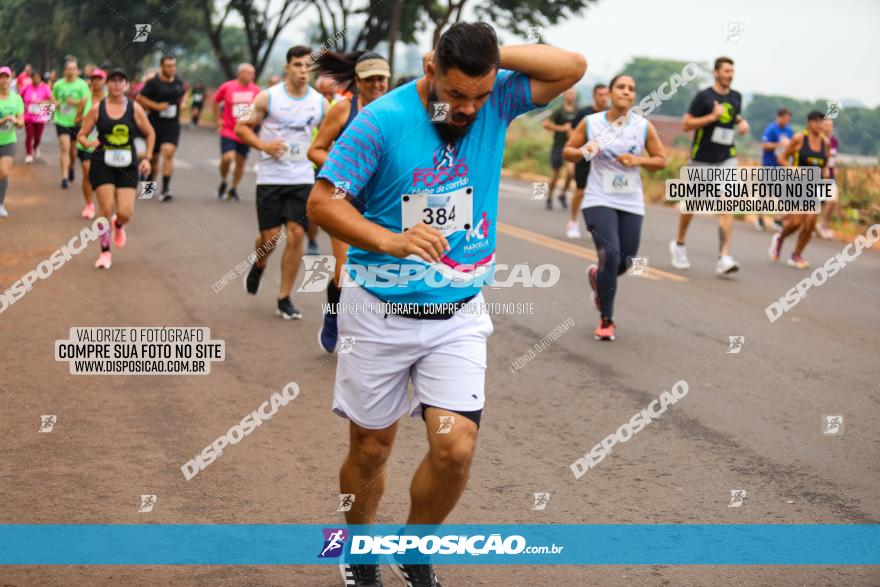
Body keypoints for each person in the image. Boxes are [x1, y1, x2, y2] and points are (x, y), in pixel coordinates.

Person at [307, 22, 585, 586]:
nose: (469, 110)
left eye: (480, 95)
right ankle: (358, 550)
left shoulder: (498, 100)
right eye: (457, 96)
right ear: (430, 69)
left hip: (457, 310)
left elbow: (571, 65)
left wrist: (487, 59)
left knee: (455, 448)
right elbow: (321, 201)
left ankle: (414, 548)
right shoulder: (381, 121)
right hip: (377, 309)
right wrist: (389, 240)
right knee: (371, 450)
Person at [563, 74, 666, 341]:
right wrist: (589, 149)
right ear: (609, 93)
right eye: (621, 87)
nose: (626, 92)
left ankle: (598, 276)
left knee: (625, 262)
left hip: (630, 200)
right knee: (610, 254)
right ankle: (606, 320)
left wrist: (638, 160)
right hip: (599, 198)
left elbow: (661, 160)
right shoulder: (591, 123)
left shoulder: (642, 126)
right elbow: (568, 152)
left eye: (631, 89)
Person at [235, 46, 329, 320]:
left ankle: (284, 297)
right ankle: (259, 264)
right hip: (270, 176)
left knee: (297, 233)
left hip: (301, 176)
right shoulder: (269, 98)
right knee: (270, 238)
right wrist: (264, 145)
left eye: (307, 66)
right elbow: (241, 127)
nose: (303, 71)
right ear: (287, 67)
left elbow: (330, 135)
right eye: (298, 65)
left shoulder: (319, 103)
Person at [308, 51, 391, 353]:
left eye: (382, 78)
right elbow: (314, 150)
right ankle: (332, 318)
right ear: (358, 81)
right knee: (345, 271)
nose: (377, 84)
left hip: (382, 203)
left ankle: (375, 332)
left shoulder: (398, 109)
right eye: (370, 79)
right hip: (345, 200)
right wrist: (343, 171)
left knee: (381, 269)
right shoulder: (344, 109)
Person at [669, 56, 748, 275]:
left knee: (727, 202)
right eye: (725, 71)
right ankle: (680, 244)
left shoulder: (736, 97)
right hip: (701, 157)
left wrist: (741, 123)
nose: (729, 75)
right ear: (716, 73)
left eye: (732, 71)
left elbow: (734, 116)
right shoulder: (704, 96)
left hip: (727, 158)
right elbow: (686, 124)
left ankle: (724, 257)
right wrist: (711, 117)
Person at [77, 68, 155, 269]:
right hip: (102, 162)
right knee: (105, 208)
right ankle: (105, 252)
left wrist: (147, 158)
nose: (117, 84)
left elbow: (150, 133)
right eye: (113, 80)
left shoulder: (134, 108)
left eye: (121, 80)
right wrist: (87, 143)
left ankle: (118, 224)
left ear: (126, 85)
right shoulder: (97, 108)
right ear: (107, 84)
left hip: (128, 164)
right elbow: (82, 134)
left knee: (126, 212)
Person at [769, 111, 829, 269]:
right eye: (815, 121)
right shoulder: (799, 138)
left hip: (815, 187)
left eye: (821, 122)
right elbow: (781, 159)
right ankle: (780, 238)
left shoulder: (825, 142)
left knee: (810, 223)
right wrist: (793, 170)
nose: (818, 125)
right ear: (809, 122)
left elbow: (825, 166)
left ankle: (796, 255)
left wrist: (825, 182)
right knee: (795, 222)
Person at [136, 55, 186, 202]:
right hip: (155, 124)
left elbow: (183, 95)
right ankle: (149, 187)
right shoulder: (153, 83)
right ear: (162, 67)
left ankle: (166, 189)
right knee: (154, 158)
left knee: (168, 153)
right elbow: (140, 98)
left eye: (173, 65)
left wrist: (183, 104)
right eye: (169, 66)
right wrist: (156, 106)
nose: (172, 69)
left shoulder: (178, 82)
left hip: (172, 124)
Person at [213, 64, 261, 201]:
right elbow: (216, 101)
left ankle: (233, 188)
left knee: (240, 162)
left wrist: (255, 123)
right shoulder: (228, 86)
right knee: (228, 158)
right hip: (229, 129)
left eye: (253, 73)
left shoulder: (256, 90)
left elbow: (259, 109)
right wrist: (217, 120)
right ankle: (224, 180)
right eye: (249, 73)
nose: (252, 76)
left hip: (245, 131)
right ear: (240, 73)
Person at [566, 83, 608, 237]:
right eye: (600, 95)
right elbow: (572, 134)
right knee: (581, 190)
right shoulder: (585, 114)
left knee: (601, 193)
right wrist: (571, 160)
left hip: (604, 160)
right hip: (584, 156)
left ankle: (594, 226)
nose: (603, 98)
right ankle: (573, 221)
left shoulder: (610, 115)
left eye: (606, 95)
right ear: (594, 96)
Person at [75, 69, 108, 220]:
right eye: (93, 79)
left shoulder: (111, 100)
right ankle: (89, 204)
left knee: (104, 176)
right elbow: (76, 120)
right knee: (87, 172)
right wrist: (87, 118)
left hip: (107, 145)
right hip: (86, 143)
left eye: (99, 79)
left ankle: (105, 204)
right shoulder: (84, 100)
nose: (96, 81)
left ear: (104, 81)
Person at [52, 60, 90, 189]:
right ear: (65, 71)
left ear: (77, 70)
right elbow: (53, 99)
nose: (71, 71)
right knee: (64, 147)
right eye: (69, 68)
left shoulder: (82, 85)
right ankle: (64, 177)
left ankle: (72, 167)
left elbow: (85, 102)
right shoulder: (58, 84)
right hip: (61, 120)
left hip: (76, 122)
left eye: (74, 69)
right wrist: (55, 104)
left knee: (73, 151)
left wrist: (74, 103)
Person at [754, 108, 793, 230]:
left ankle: (777, 219)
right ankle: (760, 219)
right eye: (785, 119)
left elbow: (791, 146)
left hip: (782, 167)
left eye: (788, 120)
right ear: (779, 117)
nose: (786, 121)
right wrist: (780, 144)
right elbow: (765, 145)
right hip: (769, 165)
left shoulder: (789, 130)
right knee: (764, 194)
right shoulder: (771, 129)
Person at [542, 88, 577, 210]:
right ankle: (550, 197)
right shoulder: (559, 111)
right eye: (568, 93)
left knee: (572, 173)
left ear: (575, 96)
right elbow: (546, 124)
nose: (570, 96)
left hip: (571, 147)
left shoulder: (578, 111)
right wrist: (561, 128)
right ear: (565, 95)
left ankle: (562, 194)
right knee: (556, 174)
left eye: (572, 94)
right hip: (558, 146)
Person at [0, 66, 25, 218]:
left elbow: (22, 122)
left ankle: (0, 204)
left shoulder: (17, 98)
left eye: (6, 77)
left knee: (3, 172)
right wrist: (2, 120)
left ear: (11, 79)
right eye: (1, 77)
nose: (3, 80)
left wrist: (16, 121)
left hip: (9, 141)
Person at [21, 70, 52, 164]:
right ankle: (29, 154)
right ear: (31, 78)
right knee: (29, 135)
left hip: (42, 115)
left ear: (40, 78)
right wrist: (23, 105)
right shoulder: (26, 87)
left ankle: (35, 146)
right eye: (34, 77)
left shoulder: (45, 88)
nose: (36, 79)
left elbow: (52, 101)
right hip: (28, 116)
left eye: (38, 77)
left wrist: (43, 102)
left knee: (38, 137)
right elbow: (20, 98)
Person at [816, 117, 839, 239]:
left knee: (833, 201)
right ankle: (812, 225)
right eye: (826, 125)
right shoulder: (817, 139)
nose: (829, 127)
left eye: (831, 125)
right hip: (817, 174)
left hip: (830, 175)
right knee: (819, 202)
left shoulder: (834, 141)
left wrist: (834, 168)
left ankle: (823, 224)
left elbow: (833, 157)